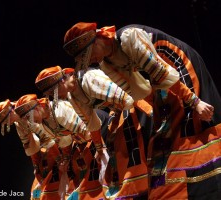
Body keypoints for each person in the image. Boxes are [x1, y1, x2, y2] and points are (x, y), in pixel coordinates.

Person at [63, 22, 221, 199]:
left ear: (97, 41)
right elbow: (136, 93)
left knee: (187, 124)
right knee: (164, 134)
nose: (89, 61)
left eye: (88, 54)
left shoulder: (129, 38)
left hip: (174, 64)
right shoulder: (107, 64)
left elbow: (161, 73)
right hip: (158, 82)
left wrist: (195, 101)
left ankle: (205, 184)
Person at [35, 65, 153, 199]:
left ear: (62, 81)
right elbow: (91, 123)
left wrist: (151, 111)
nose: (54, 97)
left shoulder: (88, 79)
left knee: (132, 135)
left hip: (137, 99)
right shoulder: (72, 97)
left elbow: (126, 96)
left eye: (54, 92)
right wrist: (100, 148)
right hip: (116, 110)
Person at [14, 94, 108, 200]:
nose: (30, 122)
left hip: (97, 126)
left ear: (37, 108)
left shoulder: (59, 111)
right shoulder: (42, 124)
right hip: (81, 138)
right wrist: (65, 159)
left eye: (29, 117)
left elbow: (87, 130)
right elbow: (64, 141)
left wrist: (100, 148)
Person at [0, 99, 63, 199]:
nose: (8, 123)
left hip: (58, 131)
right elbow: (28, 144)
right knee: (38, 186)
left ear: (11, 111)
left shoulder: (27, 113)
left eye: (7, 119)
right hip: (48, 145)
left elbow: (45, 137)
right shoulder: (19, 123)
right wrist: (36, 165)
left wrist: (59, 160)